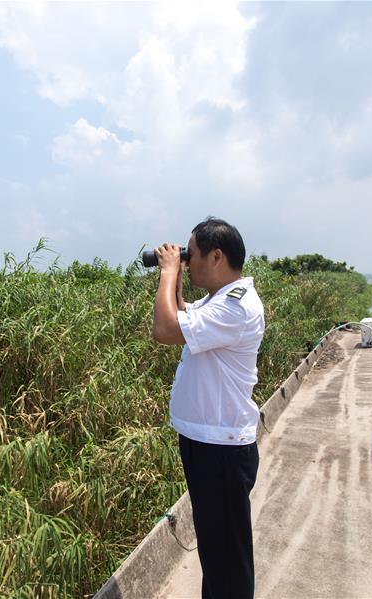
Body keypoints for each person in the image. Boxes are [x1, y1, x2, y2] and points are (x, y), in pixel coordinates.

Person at [152, 217, 265, 599]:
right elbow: (183, 317)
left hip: (221, 450)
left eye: (192, 255)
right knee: (217, 552)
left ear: (217, 256)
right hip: (208, 444)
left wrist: (168, 271)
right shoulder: (220, 300)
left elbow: (166, 331)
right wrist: (179, 277)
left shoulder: (235, 306)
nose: (187, 260)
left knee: (227, 558)